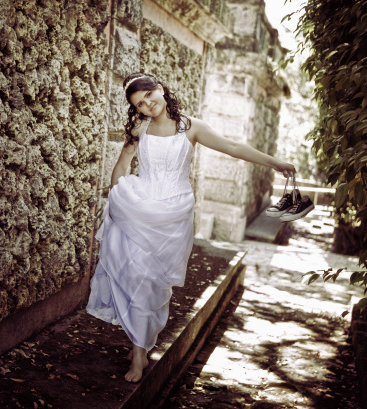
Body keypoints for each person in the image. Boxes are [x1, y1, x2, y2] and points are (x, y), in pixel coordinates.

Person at [86, 73, 296, 383]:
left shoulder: (191, 127)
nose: (146, 105)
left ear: (160, 88)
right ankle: (139, 353)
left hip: (173, 213)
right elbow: (123, 163)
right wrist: (116, 200)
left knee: (155, 282)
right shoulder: (138, 127)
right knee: (134, 276)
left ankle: (141, 341)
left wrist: (274, 163)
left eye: (148, 96)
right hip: (139, 207)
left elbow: (232, 147)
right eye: (139, 104)